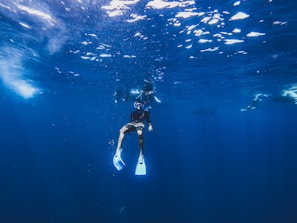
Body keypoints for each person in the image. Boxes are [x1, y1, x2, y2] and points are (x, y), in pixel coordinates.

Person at [113, 101, 153, 175]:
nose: (138, 105)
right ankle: (118, 150)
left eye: (140, 104)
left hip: (140, 124)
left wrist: (150, 125)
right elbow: (131, 120)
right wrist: (128, 130)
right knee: (121, 130)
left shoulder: (145, 112)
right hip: (132, 124)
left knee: (140, 133)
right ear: (135, 105)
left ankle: (141, 154)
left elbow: (148, 119)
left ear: (141, 105)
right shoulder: (132, 112)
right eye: (137, 104)